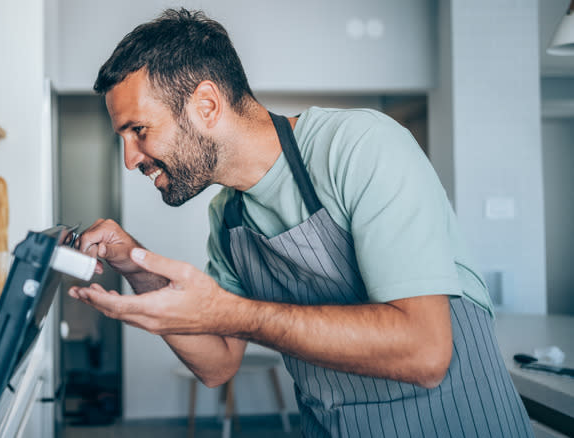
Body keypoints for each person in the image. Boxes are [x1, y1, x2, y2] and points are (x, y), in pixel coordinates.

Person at [68, 8, 533, 437]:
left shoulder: (359, 149)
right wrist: (135, 265)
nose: (130, 160)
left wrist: (233, 313)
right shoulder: (228, 216)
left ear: (206, 105)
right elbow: (218, 365)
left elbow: (425, 351)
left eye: (139, 130)